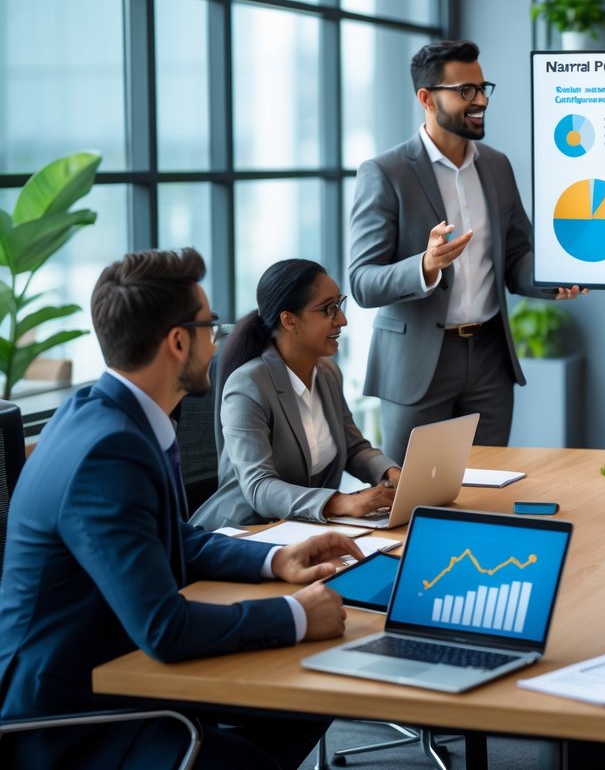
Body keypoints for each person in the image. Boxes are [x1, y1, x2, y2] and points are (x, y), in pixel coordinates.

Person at [0, 248, 359, 768]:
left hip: (121, 674)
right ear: (176, 341)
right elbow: (164, 630)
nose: (218, 341)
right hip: (71, 720)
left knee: (311, 697)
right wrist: (293, 615)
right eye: (209, 326)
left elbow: (173, 536)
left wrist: (273, 561)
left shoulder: (108, 414)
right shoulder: (108, 451)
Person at [348, 38, 584, 456]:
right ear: (426, 98)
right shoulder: (385, 173)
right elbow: (363, 281)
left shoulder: (496, 165)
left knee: (488, 492)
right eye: (465, 92)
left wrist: (553, 278)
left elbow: (516, 258)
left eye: (482, 88)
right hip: (419, 365)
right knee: (416, 502)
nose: (480, 101)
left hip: (491, 361)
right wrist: (425, 264)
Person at [190, 259, 401, 530]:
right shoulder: (248, 386)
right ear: (289, 320)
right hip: (247, 532)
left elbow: (353, 447)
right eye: (328, 309)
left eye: (339, 304)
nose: (342, 319)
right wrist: (340, 503)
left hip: (307, 529)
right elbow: (259, 487)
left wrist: (391, 473)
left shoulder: (327, 373)